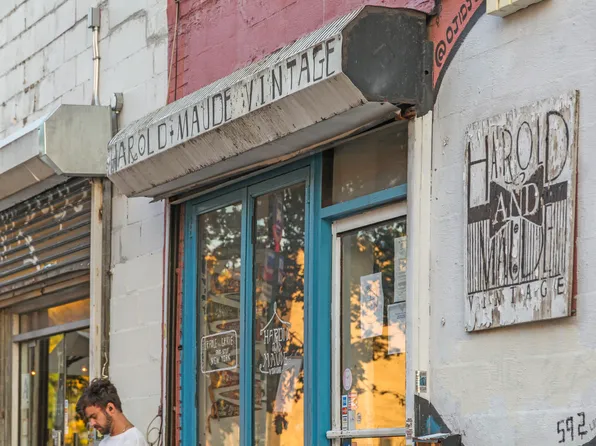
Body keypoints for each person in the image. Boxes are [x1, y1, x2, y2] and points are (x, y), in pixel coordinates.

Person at [76, 378, 149, 446]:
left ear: (110, 408)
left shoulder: (133, 441)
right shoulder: (104, 442)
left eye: (94, 416)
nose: (92, 423)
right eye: (89, 419)